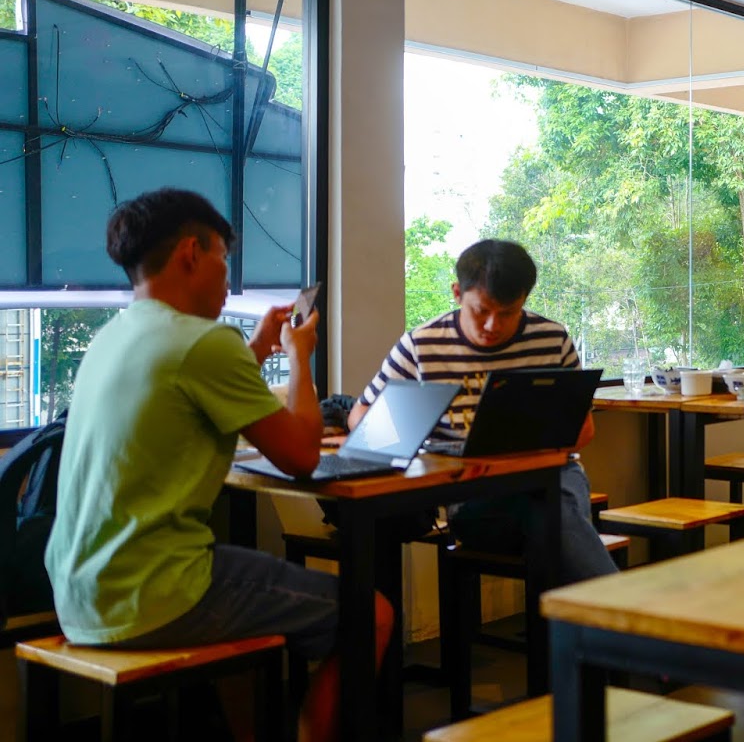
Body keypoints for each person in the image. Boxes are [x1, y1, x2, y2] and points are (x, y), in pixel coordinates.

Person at [45, 188, 390, 742]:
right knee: (371, 614)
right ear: (191, 252)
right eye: (224, 259)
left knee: (244, 603)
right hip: (155, 592)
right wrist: (299, 358)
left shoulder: (114, 336)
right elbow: (303, 457)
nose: (228, 278)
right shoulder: (204, 342)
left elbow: (194, 388)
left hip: (78, 589)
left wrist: (256, 350)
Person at [350, 238, 616, 584]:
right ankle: (618, 609)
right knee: (551, 518)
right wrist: (412, 442)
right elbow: (361, 415)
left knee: (550, 509)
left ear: (524, 299)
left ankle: (603, 612)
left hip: (551, 479)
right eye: (481, 311)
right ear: (457, 293)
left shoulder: (552, 339)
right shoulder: (422, 344)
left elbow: (583, 431)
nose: (493, 325)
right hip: (473, 496)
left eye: (508, 313)